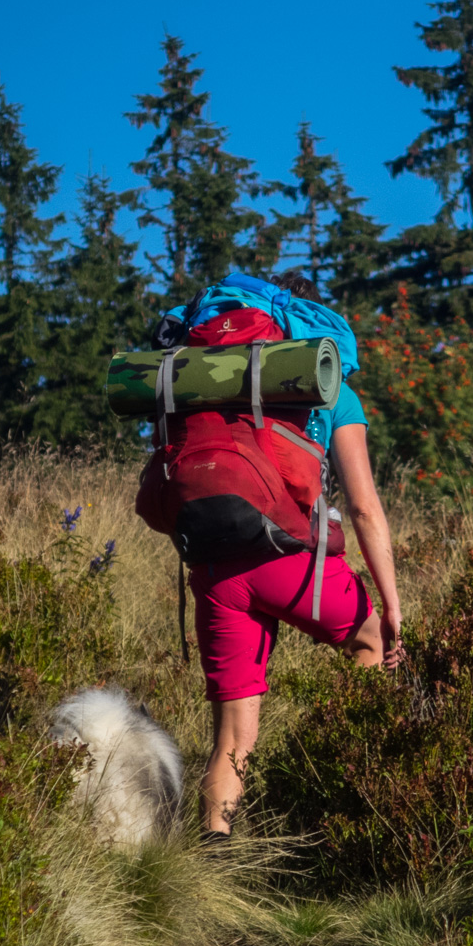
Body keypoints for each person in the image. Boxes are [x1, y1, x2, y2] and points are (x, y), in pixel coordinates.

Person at [192, 270, 403, 844]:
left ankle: (214, 855)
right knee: (372, 643)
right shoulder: (331, 387)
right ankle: (352, 784)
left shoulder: (210, 383)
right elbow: (363, 508)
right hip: (291, 563)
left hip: (214, 568)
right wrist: (390, 605)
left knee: (233, 736)